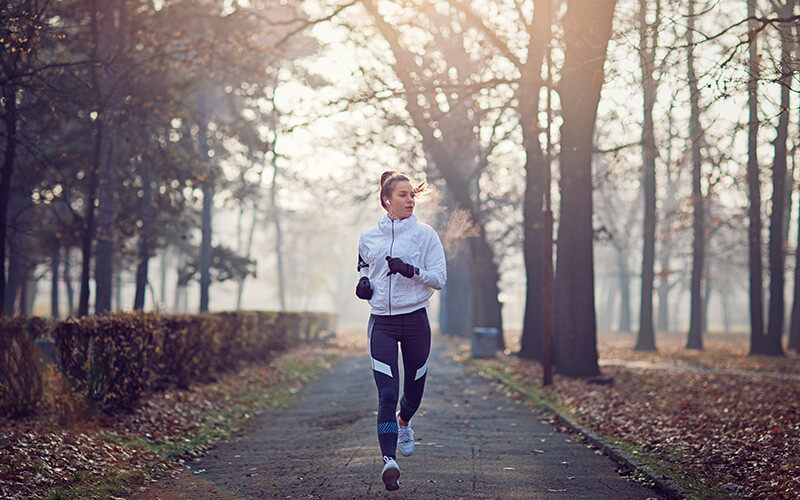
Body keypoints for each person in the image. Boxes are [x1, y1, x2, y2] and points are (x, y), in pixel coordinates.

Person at [355, 171, 447, 491]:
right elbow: (365, 268)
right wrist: (364, 285)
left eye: (412, 195)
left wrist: (411, 271)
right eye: (403, 195)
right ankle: (388, 461)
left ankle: (405, 421)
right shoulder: (368, 237)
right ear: (386, 200)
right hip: (381, 322)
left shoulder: (425, 235)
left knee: (413, 392)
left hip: (415, 321)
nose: (410, 200)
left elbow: (440, 278)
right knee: (387, 392)